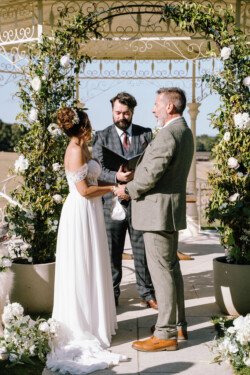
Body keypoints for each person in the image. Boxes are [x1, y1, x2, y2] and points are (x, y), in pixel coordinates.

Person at [115, 87, 194, 352]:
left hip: (157, 215)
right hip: (166, 213)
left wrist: (126, 190)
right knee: (171, 271)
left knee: (161, 274)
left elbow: (150, 175)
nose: (153, 109)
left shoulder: (169, 134)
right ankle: (178, 324)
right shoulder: (183, 131)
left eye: (157, 104)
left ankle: (165, 334)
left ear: (170, 107)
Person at [46, 107, 124, 374]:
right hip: (80, 211)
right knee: (82, 266)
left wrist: (115, 178)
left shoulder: (83, 146)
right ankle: (82, 325)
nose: (92, 126)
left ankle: (94, 320)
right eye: (89, 123)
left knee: (93, 264)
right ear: (82, 126)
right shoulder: (76, 150)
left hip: (90, 212)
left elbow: (92, 177)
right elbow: (84, 189)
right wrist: (113, 188)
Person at [92, 92, 157, 309]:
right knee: (113, 252)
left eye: (126, 113)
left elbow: (152, 167)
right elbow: (98, 171)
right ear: (112, 111)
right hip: (111, 202)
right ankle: (112, 294)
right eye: (118, 112)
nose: (122, 116)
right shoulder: (101, 136)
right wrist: (117, 179)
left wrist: (132, 184)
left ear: (132, 113)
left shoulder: (146, 134)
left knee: (142, 250)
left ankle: (147, 292)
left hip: (139, 200)